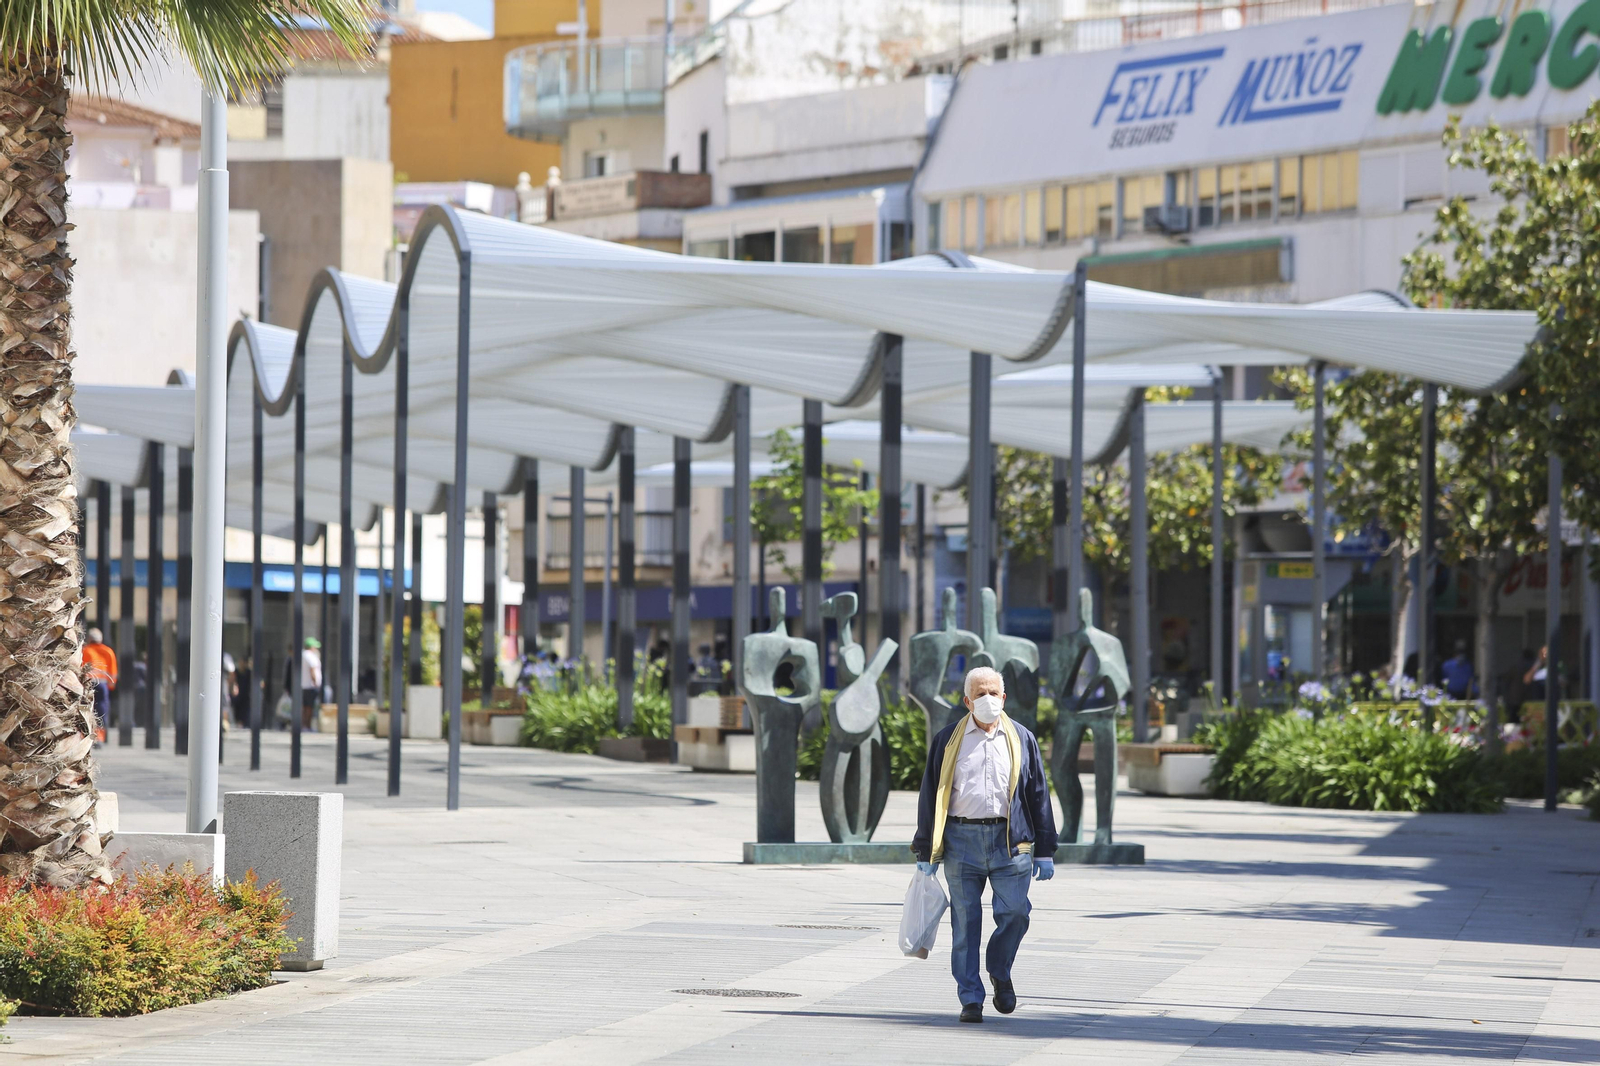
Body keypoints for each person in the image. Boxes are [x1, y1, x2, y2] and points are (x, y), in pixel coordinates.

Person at [912, 666, 1057, 1024]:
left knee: (1016, 914)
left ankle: (999, 969)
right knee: (965, 924)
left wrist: (1046, 849)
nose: (988, 699)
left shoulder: (1022, 738)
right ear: (967, 701)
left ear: (1003, 698)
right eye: (980, 694)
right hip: (962, 842)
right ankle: (970, 999)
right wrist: (924, 850)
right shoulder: (949, 740)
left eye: (993, 692)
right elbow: (931, 794)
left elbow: (1038, 794)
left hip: (1010, 842)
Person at [82, 627, 117, 742]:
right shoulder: (108, 651)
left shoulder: (85, 650)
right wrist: (111, 686)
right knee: (102, 709)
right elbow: (112, 671)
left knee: (87, 708)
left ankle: (87, 734)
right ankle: (100, 737)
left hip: (88, 684)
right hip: (102, 685)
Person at [300, 637, 323, 730]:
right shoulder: (310, 656)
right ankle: (307, 725)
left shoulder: (302, 655)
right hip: (311, 685)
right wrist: (315, 682)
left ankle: (304, 725)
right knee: (309, 707)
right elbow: (312, 669)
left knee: (305, 707)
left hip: (304, 685)